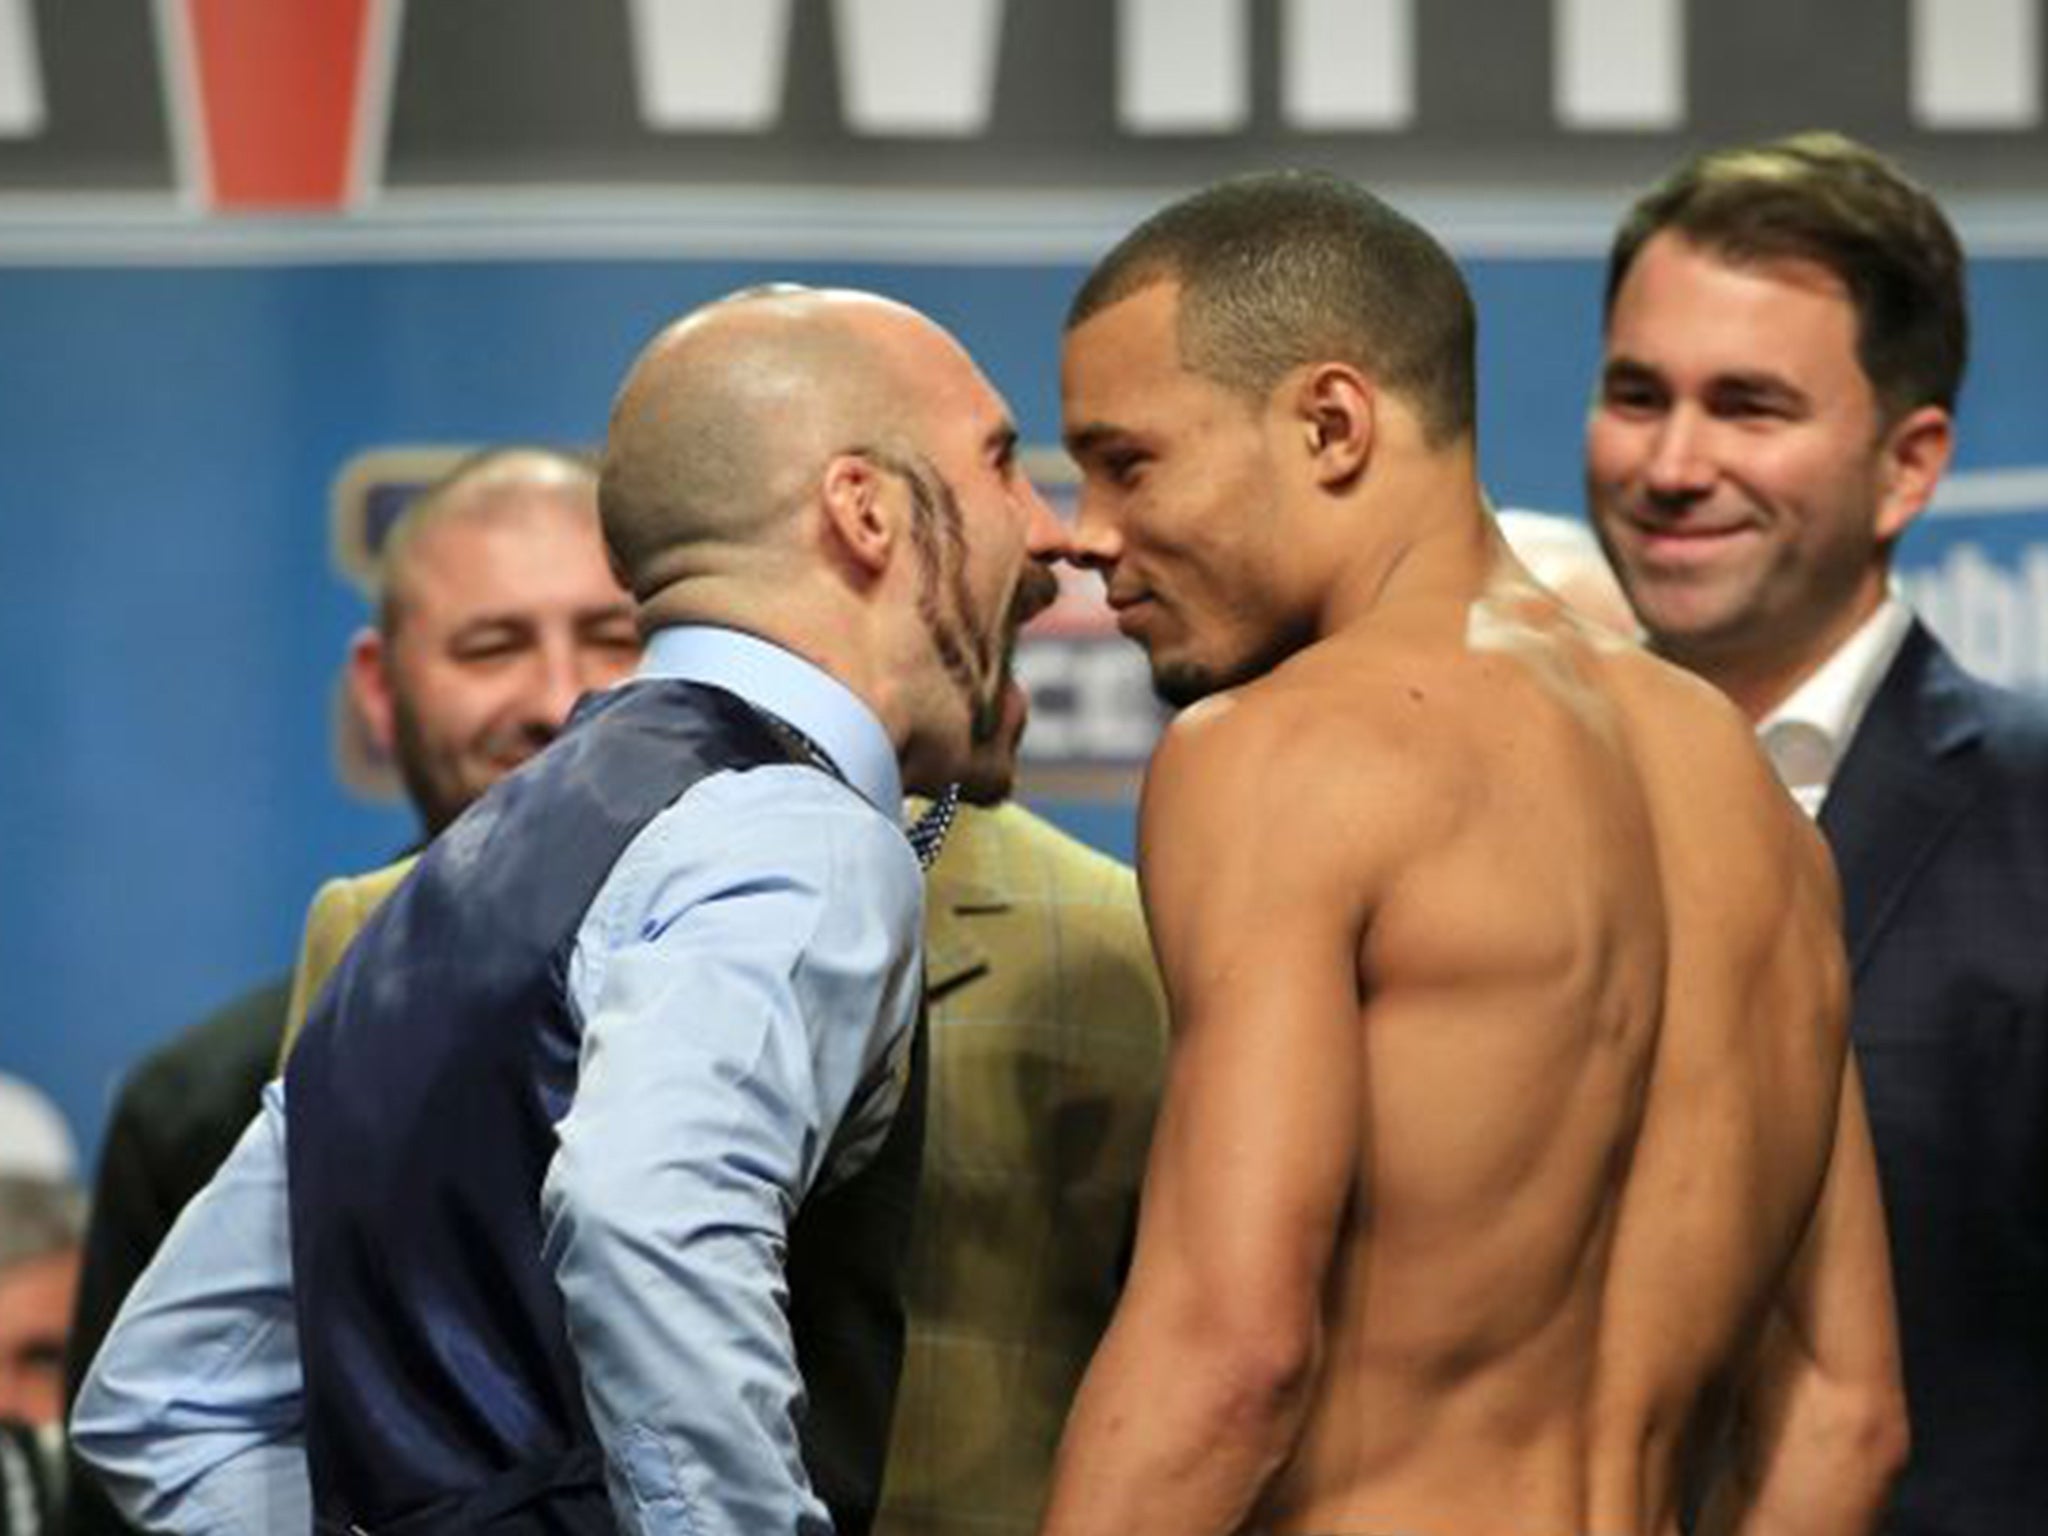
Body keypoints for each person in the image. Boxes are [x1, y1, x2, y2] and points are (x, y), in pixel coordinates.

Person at [73, 285, 1070, 1536]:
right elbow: (645, 1224)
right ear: (864, 512)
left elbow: (162, 1399)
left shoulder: (463, 869)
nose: (1049, 531)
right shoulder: (794, 828)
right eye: (998, 464)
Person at [1040, 170, 1902, 1535]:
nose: (1087, 535)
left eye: (1129, 461)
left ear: (1331, 423)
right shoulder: (1743, 791)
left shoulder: (1278, 753)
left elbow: (1229, 1356)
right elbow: (1845, 1418)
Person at [1587, 130, 2048, 1535]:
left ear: (1908, 467)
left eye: (1750, 406)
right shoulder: (1491, 799)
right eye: (1636, 394)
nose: (1673, 464)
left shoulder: (2036, 823)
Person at [61, 445, 641, 1536]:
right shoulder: (205, 1101)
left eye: (612, 637)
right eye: (492, 644)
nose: (563, 697)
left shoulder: (790, 1017)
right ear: (380, 687)